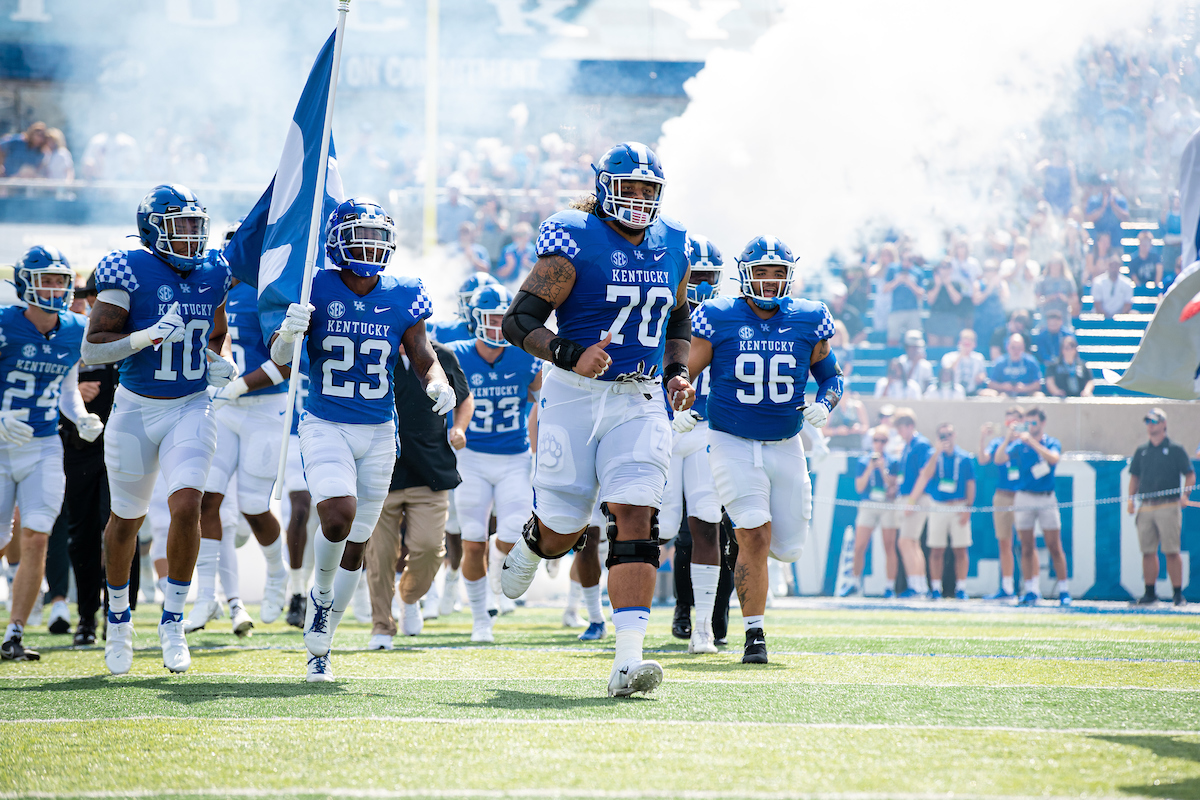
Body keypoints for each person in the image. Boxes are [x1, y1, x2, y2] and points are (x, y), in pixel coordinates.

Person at [498, 142, 695, 697]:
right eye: (627, 188)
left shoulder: (674, 242)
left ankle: (627, 662)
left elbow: (678, 315)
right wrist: (569, 353)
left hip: (639, 396)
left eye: (646, 190)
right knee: (565, 531)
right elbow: (519, 320)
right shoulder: (574, 236)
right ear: (605, 186)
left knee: (636, 516)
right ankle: (534, 543)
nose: (637, 199)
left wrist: (677, 370)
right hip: (573, 394)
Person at [268, 199, 455, 681]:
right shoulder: (314, 284)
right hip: (325, 421)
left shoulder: (404, 292)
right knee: (337, 513)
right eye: (361, 235)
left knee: (358, 541)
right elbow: (281, 357)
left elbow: (422, 354)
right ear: (336, 239)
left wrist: (438, 382)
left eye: (378, 237)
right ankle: (321, 594)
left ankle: (322, 644)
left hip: (378, 430)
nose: (370, 246)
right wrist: (289, 333)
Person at [81, 185, 237, 675]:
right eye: (180, 225)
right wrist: (145, 336)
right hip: (134, 408)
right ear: (152, 228)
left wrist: (218, 361)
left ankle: (172, 619)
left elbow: (215, 333)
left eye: (196, 225)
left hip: (190, 405)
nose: (191, 235)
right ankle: (120, 618)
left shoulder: (214, 271)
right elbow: (93, 349)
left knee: (188, 503)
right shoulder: (127, 268)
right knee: (126, 520)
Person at [688, 234, 838, 663]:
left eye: (777, 273)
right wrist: (682, 404)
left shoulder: (810, 318)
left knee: (786, 547)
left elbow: (832, 377)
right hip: (730, 437)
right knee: (753, 530)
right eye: (761, 272)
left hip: (785, 441)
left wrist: (824, 403)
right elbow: (683, 373)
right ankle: (755, 635)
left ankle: (757, 558)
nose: (769, 281)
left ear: (789, 277)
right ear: (745, 274)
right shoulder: (717, 316)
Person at [0, 248, 101, 661]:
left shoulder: (76, 327)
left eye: (61, 280)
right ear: (25, 283)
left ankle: (15, 634)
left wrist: (80, 417)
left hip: (43, 443)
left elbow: (65, 385)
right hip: (1, 445)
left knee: (38, 534)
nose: (56, 288)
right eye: (47, 279)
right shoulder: (5, 324)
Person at [187, 271, 292, 637]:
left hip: (264, 409)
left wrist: (241, 386)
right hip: (224, 408)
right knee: (206, 500)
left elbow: (287, 363)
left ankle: (278, 572)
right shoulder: (210, 297)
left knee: (253, 507)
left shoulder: (269, 299)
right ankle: (205, 594)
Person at [365, 322, 472, 647]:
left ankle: (409, 597)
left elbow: (464, 399)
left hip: (431, 468)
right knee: (380, 556)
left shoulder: (442, 355)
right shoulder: (372, 352)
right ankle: (382, 625)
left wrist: (459, 428)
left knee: (428, 549)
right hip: (383, 469)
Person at [448, 284, 540, 643]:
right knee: (472, 539)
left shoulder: (526, 356)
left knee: (513, 532)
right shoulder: (455, 354)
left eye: (503, 318)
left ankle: (492, 579)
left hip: (515, 455)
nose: (498, 325)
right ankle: (480, 618)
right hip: (470, 457)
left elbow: (544, 398)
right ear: (475, 319)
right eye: (491, 318)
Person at [661, 236, 725, 655]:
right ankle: (631, 622)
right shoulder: (659, 309)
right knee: (654, 528)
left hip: (703, 432)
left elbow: (732, 384)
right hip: (659, 430)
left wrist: (699, 410)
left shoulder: (726, 320)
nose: (700, 285)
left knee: (705, 524)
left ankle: (704, 626)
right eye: (694, 276)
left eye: (707, 277)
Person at [60, 271, 121, 645]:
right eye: (95, 297)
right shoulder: (72, 334)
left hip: (122, 442)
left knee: (121, 528)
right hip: (79, 445)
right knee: (81, 533)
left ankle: (119, 616)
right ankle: (86, 617)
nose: (100, 305)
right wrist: (73, 391)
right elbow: (48, 384)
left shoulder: (132, 332)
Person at [994, 407, 1068, 607]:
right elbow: (999, 459)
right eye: (1028, 423)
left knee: (1054, 545)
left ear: (1042, 423)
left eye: (1034, 422)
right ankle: (1031, 589)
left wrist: (1033, 443)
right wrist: (1009, 438)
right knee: (1026, 546)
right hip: (1024, 497)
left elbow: (1054, 459)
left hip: (1046, 497)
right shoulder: (1018, 445)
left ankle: (1064, 590)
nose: (1031, 427)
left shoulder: (1050, 442)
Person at [1127, 408, 1195, 607]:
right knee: (1147, 550)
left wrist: (1185, 495)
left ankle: (1177, 594)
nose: (1150, 424)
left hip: (1168, 505)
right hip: (1147, 506)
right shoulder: (1142, 450)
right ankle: (1150, 593)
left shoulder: (1175, 448)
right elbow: (1135, 477)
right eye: (1148, 421)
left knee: (1171, 550)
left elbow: (1189, 474)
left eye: (1154, 421)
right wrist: (1131, 500)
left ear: (1164, 423)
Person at [908, 423, 975, 600]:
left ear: (955, 435)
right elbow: (926, 475)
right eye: (942, 435)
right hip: (938, 506)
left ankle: (961, 588)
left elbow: (970, 484)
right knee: (936, 549)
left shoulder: (965, 457)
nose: (947, 438)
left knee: (961, 549)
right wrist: (936, 452)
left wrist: (968, 508)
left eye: (949, 434)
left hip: (959, 506)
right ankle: (935, 588)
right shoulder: (932, 455)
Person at [842, 426, 899, 598]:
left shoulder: (893, 461)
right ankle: (854, 584)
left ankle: (890, 586)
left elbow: (893, 487)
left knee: (889, 545)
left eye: (883, 441)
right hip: (868, 503)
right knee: (860, 546)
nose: (879, 444)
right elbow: (859, 487)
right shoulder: (863, 461)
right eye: (876, 440)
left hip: (887, 504)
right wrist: (870, 468)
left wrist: (882, 469)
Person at [978, 408, 1024, 600]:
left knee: (1025, 543)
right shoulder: (999, 443)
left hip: (1023, 495)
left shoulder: (1025, 442)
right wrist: (982, 438)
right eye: (1007, 424)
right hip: (1003, 495)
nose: (1010, 428)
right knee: (1004, 542)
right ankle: (1007, 587)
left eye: (1013, 424)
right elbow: (983, 460)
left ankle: (1029, 586)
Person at [895, 409, 933, 599]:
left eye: (900, 428)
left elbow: (924, 474)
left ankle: (916, 587)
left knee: (905, 542)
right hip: (911, 497)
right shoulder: (909, 445)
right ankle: (919, 586)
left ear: (910, 426)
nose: (899, 432)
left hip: (916, 498)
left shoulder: (920, 445)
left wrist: (911, 500)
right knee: (912, 543)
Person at [882, 252, 925, 347]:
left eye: (909, 260)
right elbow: (885, 289)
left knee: (914, 338)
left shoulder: (918, 272)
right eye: (904, 259)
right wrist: (898, 280)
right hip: (896, 309)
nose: (906, 263)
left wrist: (909, 282)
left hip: (912, 310)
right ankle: (892, 360)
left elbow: (921, 293)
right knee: (893, 338)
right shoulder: (893, 269)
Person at [925, 260, 971, 347]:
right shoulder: (932, 283)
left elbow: (957, 300)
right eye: (942, 267)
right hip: (935, 316)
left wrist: (948, 284)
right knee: (933, 346)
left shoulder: (956, 284)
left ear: (951, 269)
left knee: (948, 346)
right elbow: (930, 301)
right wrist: (938, 285)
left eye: (947, 267)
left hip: (950, 317)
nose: (944, 270)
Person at [972, 260, 1009, 355]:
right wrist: (989, 288)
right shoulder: (978, 284)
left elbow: (1005, 301)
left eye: (992, 269)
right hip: (982, 322)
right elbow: (976, 300)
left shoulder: (1002, 284)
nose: (989, 272)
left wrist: (998, 287)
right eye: (987, 270)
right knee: (982, 346)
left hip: (997, 322)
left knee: (996, 345)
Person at [940, 329, 988, 396]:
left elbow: (982, 374)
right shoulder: (949, 357)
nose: (966, 347)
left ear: (974, 344)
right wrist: (960, 356)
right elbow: (947, 373)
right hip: (953, 393)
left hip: (972, 392)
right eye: (964, 344)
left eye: (968, 344)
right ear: (959, 343)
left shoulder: (978, 358)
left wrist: (981, 377)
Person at [1035, 254, 1080, 319]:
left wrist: (1065, 299)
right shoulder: (1042, 281)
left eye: (1057, 264)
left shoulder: (1068, 280)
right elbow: (1037, 301)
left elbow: (1075, 301)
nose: (1055, 267)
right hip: (1046, 318)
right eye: (1053, 264)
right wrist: (1049, 299)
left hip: (1063, 317)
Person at [436, 176, 476, 244]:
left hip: (460, 245)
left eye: (456, 189)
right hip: (441, 243)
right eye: (452, 189)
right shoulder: (438, 205)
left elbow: (472, 227)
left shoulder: (468, 207)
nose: (454, 192)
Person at [498, 221, 537, 287]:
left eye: (524, 234)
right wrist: (510, 265)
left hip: (529, 286)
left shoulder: (534, 251)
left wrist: (527, 264)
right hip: (510, 284)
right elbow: (500, 274)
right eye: (518, 234)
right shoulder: (508, 250)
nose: (520, 237)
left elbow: (540, 273)